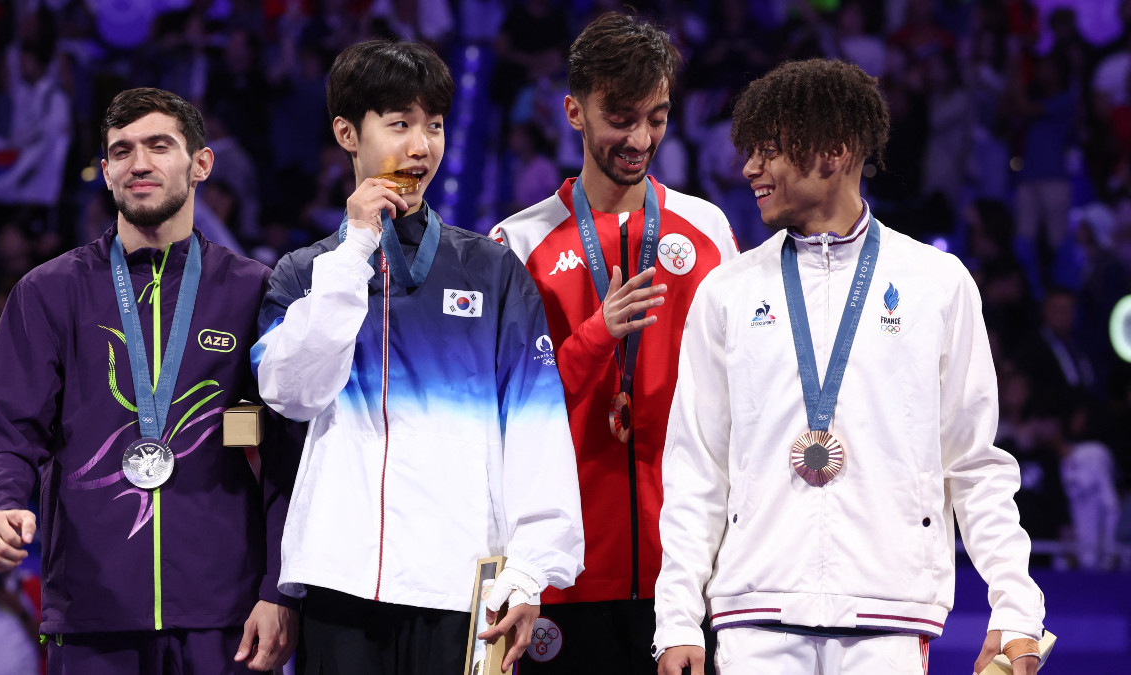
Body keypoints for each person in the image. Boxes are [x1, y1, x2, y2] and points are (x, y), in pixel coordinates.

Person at [654, 59, 1046, 675]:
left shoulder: (936, 284)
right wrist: (677, 618)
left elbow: (973, 462)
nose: (750, 168)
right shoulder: (725, 292)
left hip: (888, 613)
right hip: (755, 615)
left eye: (770, 150)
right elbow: (696, 466)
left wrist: (1016, 608)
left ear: (834, 151)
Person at [251, 40, 584, 675]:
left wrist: (530, 571)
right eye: (399, 124)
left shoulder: (491, 271)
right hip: (338, 581)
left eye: (432, 125)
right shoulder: (305, 274)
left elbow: (537, 430)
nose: (421, 146)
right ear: (348, 134)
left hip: (458, 584)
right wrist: (351, 256)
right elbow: (291, 393)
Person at [0, 87, 298, 674]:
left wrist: (278, 589)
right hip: (93, 611)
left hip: (224, 612)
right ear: (105, 171)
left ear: (201, 163)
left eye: (158, 145)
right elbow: (8, 431)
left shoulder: (254, 291)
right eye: (121, 151)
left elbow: (284, 455)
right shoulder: (49, 293)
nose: (138, 163)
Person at [489, 12, 739, 673]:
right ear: (574, 110)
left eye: (656, 117)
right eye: (620, 116)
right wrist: (595, 336)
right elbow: (501, 413)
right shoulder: (518, 244)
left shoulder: (707, 230)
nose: (640, 137)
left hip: (686, 579)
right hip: (563, 577)